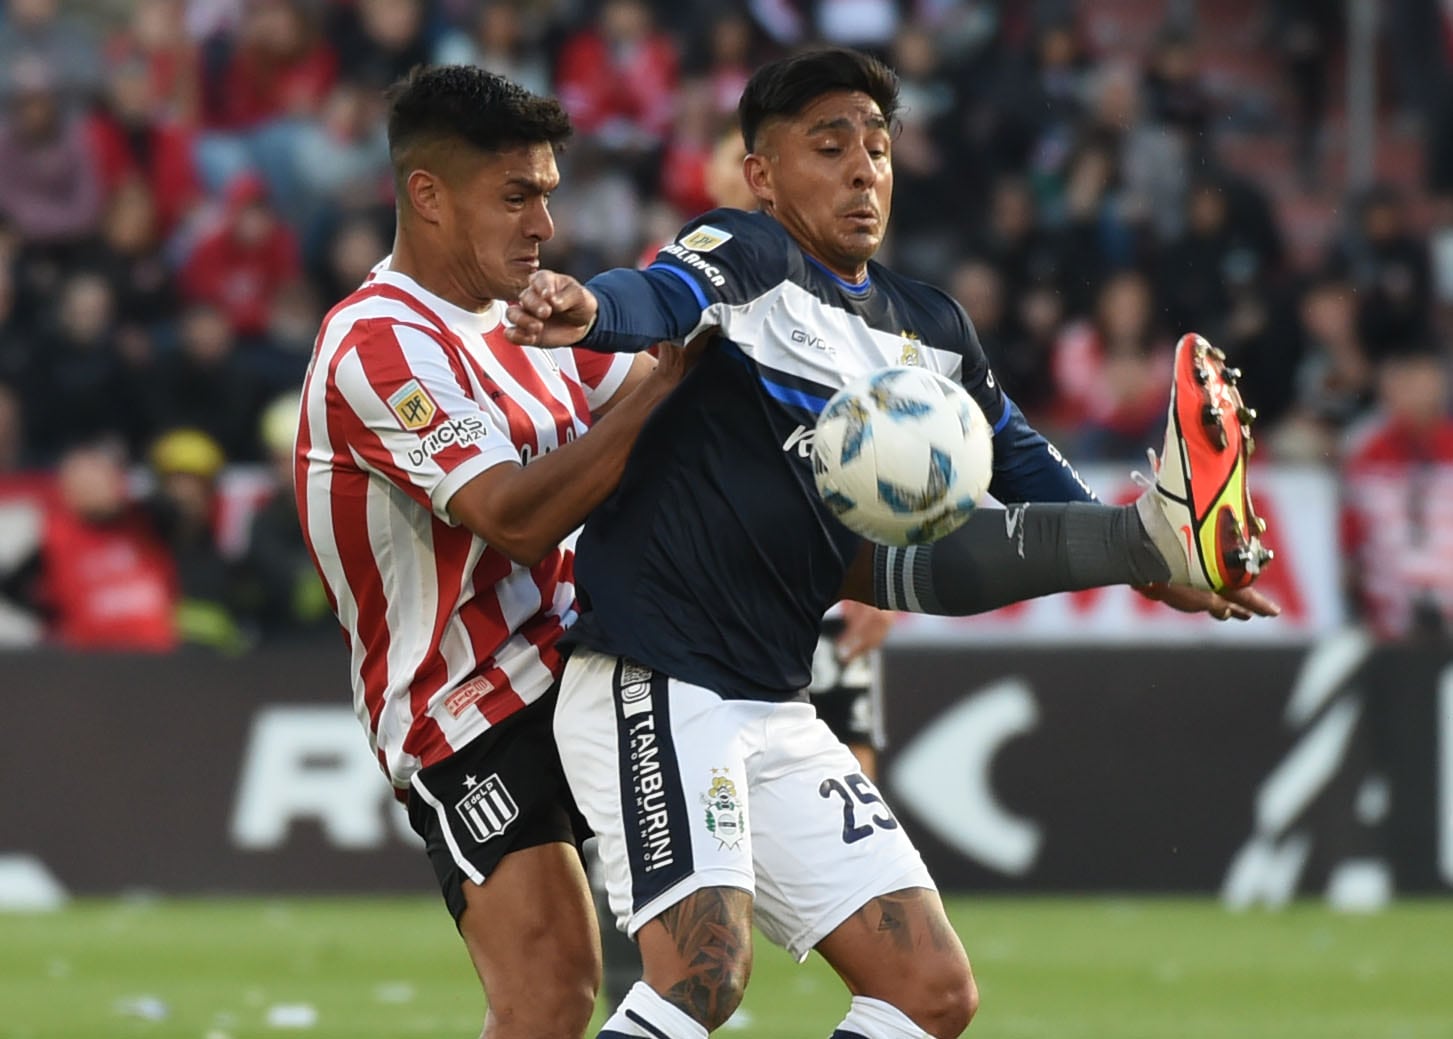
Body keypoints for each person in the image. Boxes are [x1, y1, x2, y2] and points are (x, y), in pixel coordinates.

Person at [507, 48, 1276, 1039]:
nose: (863, 169)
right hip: (653, 672)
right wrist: (590, 312)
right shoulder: (746, 255)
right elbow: (659, 294)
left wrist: (1161, 564)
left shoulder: (932, 328)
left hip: (773, 698)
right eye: (829, 147)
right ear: (762, 174)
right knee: (703, 972)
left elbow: (1022, 464)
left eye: (877, 146)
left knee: (930, 991)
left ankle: (1150, 539)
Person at [293, 66, 690, 1039]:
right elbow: (513, 517)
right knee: (549, 992)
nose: (543, 225)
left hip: (578, 664)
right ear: (427, 195)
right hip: (461, 704)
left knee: (697, 954)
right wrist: (672, 377)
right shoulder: (376, 344)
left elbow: (668, 410)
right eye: (516, 196)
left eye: (547, 194)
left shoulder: (537, 316)